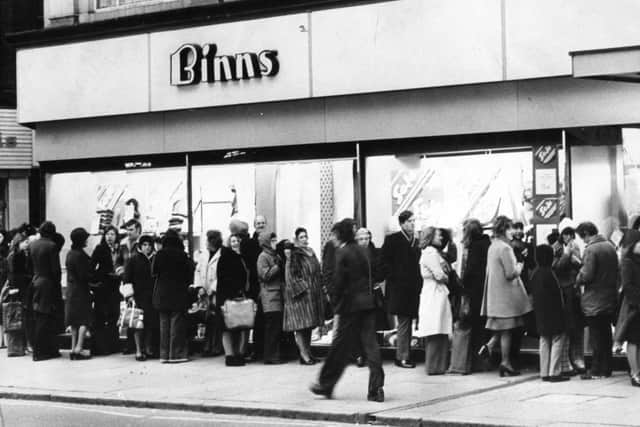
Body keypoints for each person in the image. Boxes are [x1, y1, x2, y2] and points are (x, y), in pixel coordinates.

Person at [310, 218, 385, 402]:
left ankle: (326, 384)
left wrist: (336, 304)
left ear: (340, 234)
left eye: (334, 235)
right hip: (367, 304)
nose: (333, 238)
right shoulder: (363, 250)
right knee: (371, 346)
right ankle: (376, 389)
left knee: (339, 348)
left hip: (349, 307)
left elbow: (338, 283)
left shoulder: (342, 253)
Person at [479, 216, 532, 377]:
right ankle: (505, 362)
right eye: (510, 229)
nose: (513, 232)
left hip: (495, 296)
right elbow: (510, 273)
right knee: (507, 330)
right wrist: (520, 266)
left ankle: (489, 346)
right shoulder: (505, 248)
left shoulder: (493, 246)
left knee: (502, 329)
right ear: (504, 230)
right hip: (507, 297)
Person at [575, 221, 618, 380]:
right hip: (609, 298)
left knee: (596, 336)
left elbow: (587, 275)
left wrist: (578, 276)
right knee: (606, 335)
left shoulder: (591, 250)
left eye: (583, 237)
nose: (584, 241)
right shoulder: (610, 246)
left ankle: (596, 370)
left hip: (595, 300)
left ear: (587, 233)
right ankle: (607, 368)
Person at [381, 210, 422, 368]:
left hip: (413, 288)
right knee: (404, 322)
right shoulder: (393, 240)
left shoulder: (415, 241)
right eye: (410, 221)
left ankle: (406, 353)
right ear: (402, 223)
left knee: (408, 322)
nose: (413, 223)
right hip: (399, 288)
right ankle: (402, 356)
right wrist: (395, 276)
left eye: (414, 221)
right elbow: (383, 262)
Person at [283, 228, 325, 365]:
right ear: (296, 239)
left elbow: (318, 270)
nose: (305, 239)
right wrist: (305, 288)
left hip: (313, 294)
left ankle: (308, 352)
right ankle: (303, 354)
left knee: (308, 326)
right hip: (300, 296)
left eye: (306, 236)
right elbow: (291, 276)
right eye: (301, 237)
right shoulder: (294, 254)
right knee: (301, 326)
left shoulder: (311, 252)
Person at [152, 229, 194, 363]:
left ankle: (163, 355)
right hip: (178, 293)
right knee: (177, 323)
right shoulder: (182, 255)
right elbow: (189, 275)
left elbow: (153, 272)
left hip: (162, 294)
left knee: (164, 324)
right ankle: (176, 354)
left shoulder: (159, 255)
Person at [415, 227, 453, 375]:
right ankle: (434, 366)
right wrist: (446, 276)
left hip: (435, 292)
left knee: (439, 328)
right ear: (431, 237)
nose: (440, 238)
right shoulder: (431, 253)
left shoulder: (432, 252)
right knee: (436, 328)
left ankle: (438, 365)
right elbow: (440, 275)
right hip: (434, 293)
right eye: (437, 235)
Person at [531, 245, 569, 382]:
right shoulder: (551, 274)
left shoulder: (535, 274)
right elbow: (557, 296)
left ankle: (544, 372)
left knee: (544, 340)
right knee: (558, 338)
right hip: (554, 312)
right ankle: (555, 372)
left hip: (540, 312)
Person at [458, 219, 491, 372]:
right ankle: (485, 361)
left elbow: (470, 270)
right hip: (487, 290)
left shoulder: (474, 247)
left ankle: (475, 362)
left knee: (475, 327)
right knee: (484, 326)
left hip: (475, 292)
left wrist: (461, 283)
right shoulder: (487, 244)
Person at [552, 227, 586, 375]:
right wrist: (567, 255)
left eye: (571, 236)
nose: (569, 238)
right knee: (568, 325)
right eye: (566, 235)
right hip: (565, 291)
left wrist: (575, 258)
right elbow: (556, 267)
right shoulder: (557, 247)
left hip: (575, 290)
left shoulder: (575, 246)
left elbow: (581, 265)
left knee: (577, 325)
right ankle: (568, 361)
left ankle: (577, 358)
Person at [214, 231, 249, 366]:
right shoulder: (231, 257)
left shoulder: (236, 257)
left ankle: (232, 355)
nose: (236, 243)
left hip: (229, 296)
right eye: (233, 241)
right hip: (232, 296)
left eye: (238, 240)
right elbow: (228, 278)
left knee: (232, 326)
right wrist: (237, 290)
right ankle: (234, 355)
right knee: (233, 326)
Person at [29, 221, 63, 361]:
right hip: (48, 283)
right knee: (46, 317)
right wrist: (58, 284)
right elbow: (55, 270)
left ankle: (41, 350)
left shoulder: (33, 245)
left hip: (36, 280)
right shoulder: (52, 246)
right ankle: (42, 351)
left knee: (39, 316)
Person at [123, 235, 158, 361]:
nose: (147, 247)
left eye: (149, 245)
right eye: (144, 245)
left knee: (150, 323)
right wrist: (130, 296)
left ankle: (148, 348)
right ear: (140, 246)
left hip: (152, 296)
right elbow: (127, 279)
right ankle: (138, 350)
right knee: (138, 323)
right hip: (138, 296)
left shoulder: (155, 258)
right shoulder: (133, 259)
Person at [90, 225, 122, 355]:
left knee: (114, 315)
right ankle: (100, 347)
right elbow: (92, 266)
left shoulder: (119, 249)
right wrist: (99, 277)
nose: (110, 237)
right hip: (103, 287)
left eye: (112, 234)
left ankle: (112, 345)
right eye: (108, 234)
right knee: (100, 317)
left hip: (115, 287)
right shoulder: (100, 248)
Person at [256, 232, 286, 364]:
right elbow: (264, 275)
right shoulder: (263, 257)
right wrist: (276, 267)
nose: (275, 242)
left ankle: (276, 354)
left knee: (276, 326)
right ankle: (270, 355)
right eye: (272, 240)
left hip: (277, 294)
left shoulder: (275, 255)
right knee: (272, 327)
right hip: (269, 296)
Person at [65, 228, 94, 360]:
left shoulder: (70, 253)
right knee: (84, 319)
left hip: (71, 289)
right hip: (81, 289)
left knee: (74, 321)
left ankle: (73, 348)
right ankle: (79, 348)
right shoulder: (80, 255)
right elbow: (84, 275)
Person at [3, 233, 32, 356]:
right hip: (19, 289)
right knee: (21, 316)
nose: (27, 244)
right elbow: (14, 274)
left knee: (19, 316)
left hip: (18, 288)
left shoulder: (15, 255)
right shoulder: (16, 256)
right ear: (19, 242)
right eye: (25, 242)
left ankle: (21, 344)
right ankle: (24, 344)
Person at [619, 230, 640, 387]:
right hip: (634, 307)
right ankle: (634, 373)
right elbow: (627, 285)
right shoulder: (627, 262)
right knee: (633, 340)